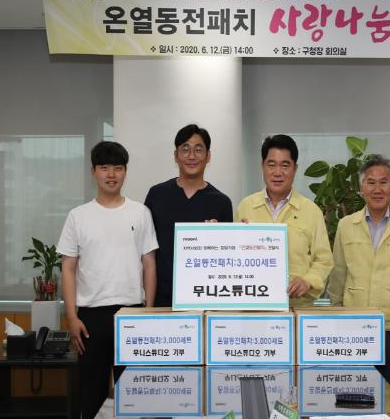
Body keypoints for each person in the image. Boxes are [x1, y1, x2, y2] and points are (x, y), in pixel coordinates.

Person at [58, 141, 158, 419]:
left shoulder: (140, 212)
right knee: (91, 394)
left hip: (132, 314)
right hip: (91, 318)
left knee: (135, 395)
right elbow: (68, 268)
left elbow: (149, 263)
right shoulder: (78, 216)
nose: (111, 174)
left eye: (118, 168)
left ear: (125, 172)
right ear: (93, 171)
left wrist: (148, 312)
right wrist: (71, 317)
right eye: (104, 168)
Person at [327, 154, 390, 400]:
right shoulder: (346, 225)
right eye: (370, 182)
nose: (377, 189)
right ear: (361, 188)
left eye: (384, 182)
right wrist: (337, 317)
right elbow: (337, 276)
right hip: (354, 327)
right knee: (354, 399)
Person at [236, 134, 333, 307]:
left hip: (298, 308)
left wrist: (308, 281)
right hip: (254, 307)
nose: (277, 173)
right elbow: (233, 255)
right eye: (271, 165)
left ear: (295, 168)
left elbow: (324, 260)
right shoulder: (246, 206)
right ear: (262, 166)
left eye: (285, 165)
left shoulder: (311, 211)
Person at [145, 124, 233, 307]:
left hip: (205, 300)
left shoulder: (221, 202)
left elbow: (227, 259)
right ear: (175, 156)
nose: (191, 156)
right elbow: (146, 251)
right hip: (161, 300)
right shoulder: (157, 195)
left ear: (208, 156)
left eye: (198, 150)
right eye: (185, 149)